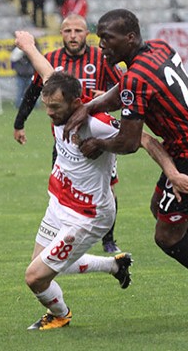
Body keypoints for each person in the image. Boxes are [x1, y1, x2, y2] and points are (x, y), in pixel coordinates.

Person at [63, 9, 188, 329]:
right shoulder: (158, 48)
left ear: (129, 38)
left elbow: (128, 141)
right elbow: (126, 88)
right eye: (100, 40)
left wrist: (98, 144)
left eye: (108, 40)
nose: (102, 47)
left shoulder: (137, 77)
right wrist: (91, 105)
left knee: (167, 237)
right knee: (161, 210)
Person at [14, 30, 188, 330]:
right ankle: (115, 264)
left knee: (35, 276)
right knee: (48, 265)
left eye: (56, 109)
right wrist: (28, 46)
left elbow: (146, 140)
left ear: (77, 102)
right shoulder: (59, 98)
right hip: (59, 202)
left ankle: (60, 315)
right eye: (47, 108)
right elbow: (47, 72)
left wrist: (172, 173)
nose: (50, 114)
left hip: (88, 215)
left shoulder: (96, 123)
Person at [14, 14, 124, 254]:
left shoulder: (101, 58)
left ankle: (108, 239)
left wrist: (103, 98)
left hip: (97, 136)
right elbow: (35, 90)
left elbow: (124, 90)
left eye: (78, 31)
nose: (73, 36)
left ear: (87, 34)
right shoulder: (52, 59)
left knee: (107, 189)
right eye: (67, 31)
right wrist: (19, 122)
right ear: (61, 34)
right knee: (62, 188)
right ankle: (65, 233)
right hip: (63, 140)